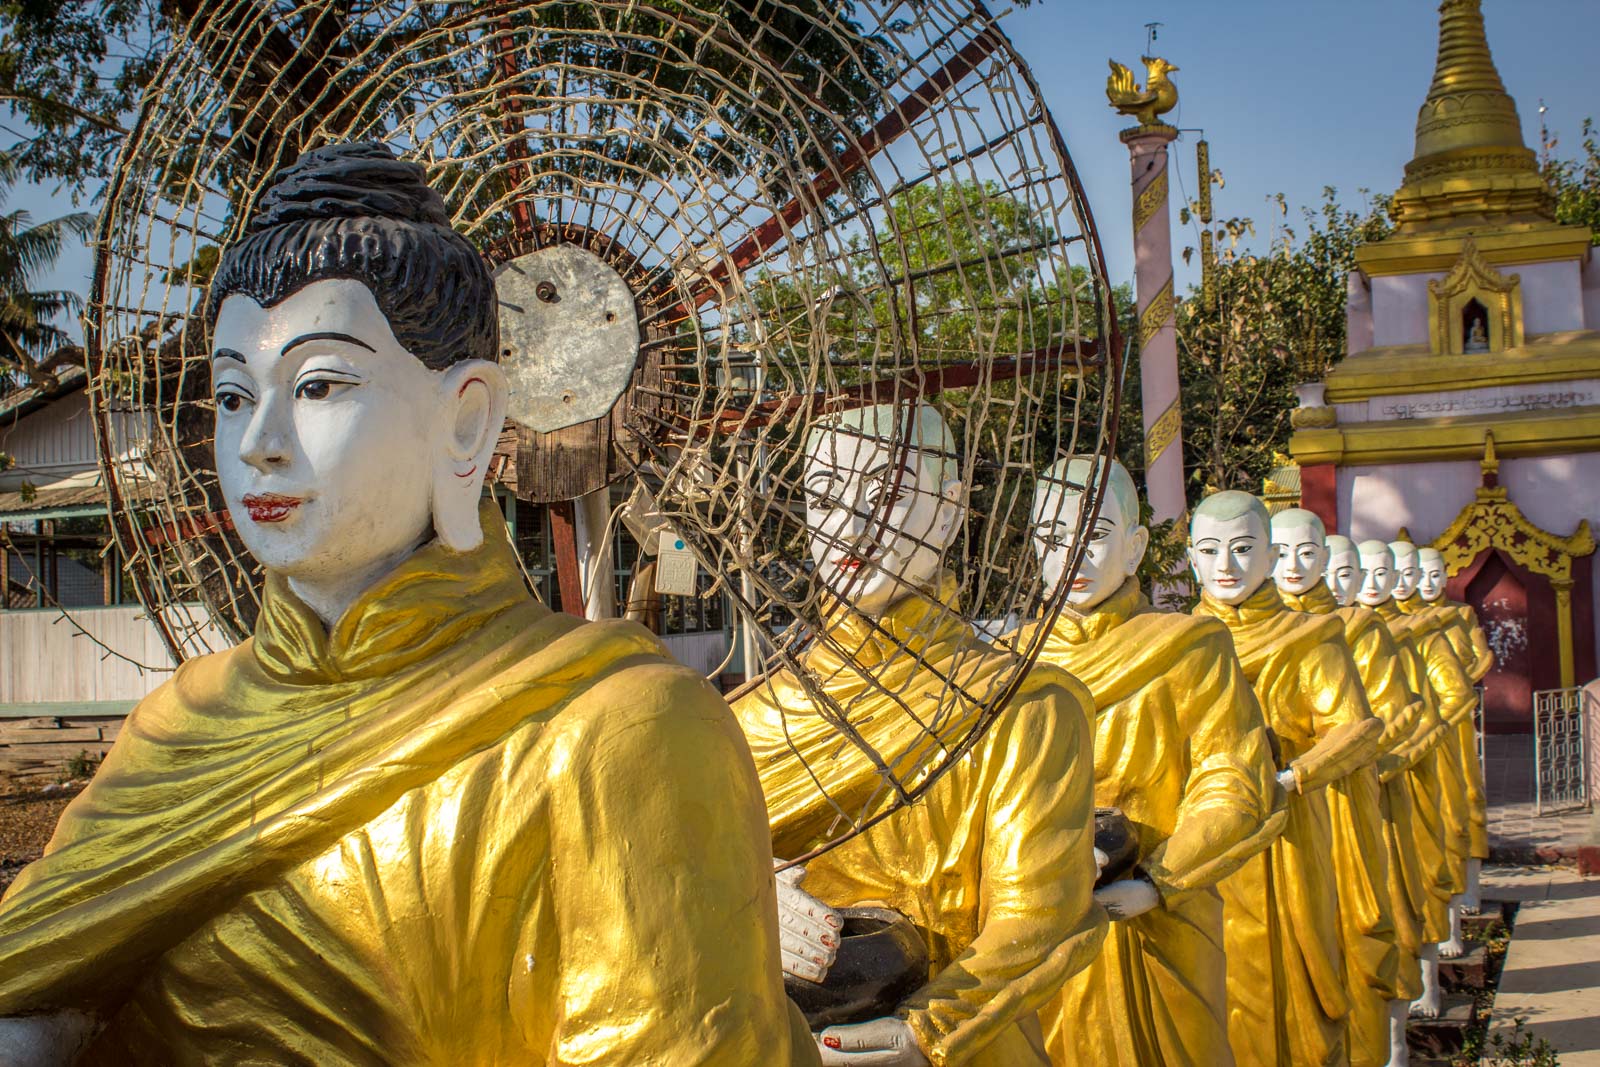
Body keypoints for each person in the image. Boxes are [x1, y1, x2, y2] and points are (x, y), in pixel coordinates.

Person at [0, 143, 816, 1066]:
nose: (259, 443)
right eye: (233, 395)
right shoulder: (176, 729)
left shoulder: (616, 729)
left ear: (465, 419)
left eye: (318, 386)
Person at [734, 404, 1107, 1067]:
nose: (850, 526)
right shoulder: (755, 718)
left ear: (950, 507)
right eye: (823, 495)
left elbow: (1040, 915)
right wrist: (747, 901)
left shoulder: (1020, 707)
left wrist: (924, 1029)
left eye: (885, 493)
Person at [1024, 458, 1281, 1067]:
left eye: (1094, 536)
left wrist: (1157, 880)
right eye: (1053, 539)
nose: (1073, 559)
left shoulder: (1189, 648)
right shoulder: (1010, 665)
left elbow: (1233, 779)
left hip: (1161, 912)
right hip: (1038, 926)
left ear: (1135, 547)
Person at [1189, 491, 1383, 1067]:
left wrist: (1293, 776)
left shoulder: (1309, 639)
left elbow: (1357, 730)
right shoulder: (1175, 644)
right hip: (1199, 849)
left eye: (1244, 549)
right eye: (1210, 550)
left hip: (1285, 841)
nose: (1226, 566)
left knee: (1291, 987)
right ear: (1192, 558)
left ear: (1269, 556)